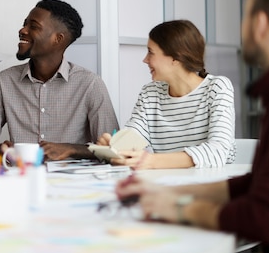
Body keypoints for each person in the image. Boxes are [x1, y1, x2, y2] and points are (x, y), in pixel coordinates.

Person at [115, 0, 269, 252]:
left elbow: (267, 214)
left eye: (244, 16)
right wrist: (176, 193)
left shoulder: (265, 95)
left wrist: (182, 209)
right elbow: (259, 184)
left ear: (261, 24)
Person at [0, 0, 119, 161]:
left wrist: (71, 149)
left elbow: (113, 149)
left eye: (33, 27)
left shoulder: (90, 84)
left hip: (72, 183)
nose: (23, 30)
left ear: (58, 39)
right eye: (25, 24)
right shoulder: (4, 81)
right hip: (21, 178)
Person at [96, 20, 235, 169]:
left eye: (150, 52)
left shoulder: (217, 87)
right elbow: (133, 136)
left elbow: (218, 151)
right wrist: (115, 147)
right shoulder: (150, 93)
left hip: (211, 185)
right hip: (166, 184)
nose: (145, 60)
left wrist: (152, 161)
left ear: (176, 57)